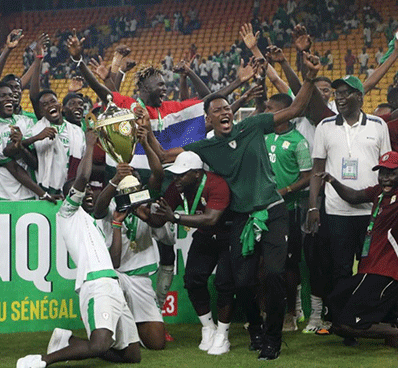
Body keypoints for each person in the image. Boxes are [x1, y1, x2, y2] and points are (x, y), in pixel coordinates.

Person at [159, 52, 321, 360]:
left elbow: (298, 106)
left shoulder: (254, 125)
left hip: (273, 211)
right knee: (242, 281)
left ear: (233, 114)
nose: (224, 112)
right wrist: (143, 135)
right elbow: (168, 155)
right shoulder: (206, 146)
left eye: (226, 108)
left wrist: (310, 76)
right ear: (209, 119)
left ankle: (272, 339)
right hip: (242, 219)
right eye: (217, 109)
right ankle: (255, 330)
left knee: (273, 275)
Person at [16, 129, 141, 368]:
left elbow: (114, 260)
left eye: (91, 192)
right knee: (99, 345)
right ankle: (41, 361)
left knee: (132, 355)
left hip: (112, 284)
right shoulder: (68, 214)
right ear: (70, 197)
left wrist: (116, 224)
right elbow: (82, 179)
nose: (90, 194)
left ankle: (68, 340)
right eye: (84, 193)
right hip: (95, 286)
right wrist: (90, 144)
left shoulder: (95, 223)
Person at [93, 113, 166, 351]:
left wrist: (145, 143)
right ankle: (119, 325)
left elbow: (159, 175)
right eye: (127, 184)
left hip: (141, 278)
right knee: (111, 343)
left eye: (134, 182)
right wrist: (115, 180)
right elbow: (97, 207)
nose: (131, 187)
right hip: (115, 277)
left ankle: (132, 326)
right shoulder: (111, 208)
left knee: (156, 344)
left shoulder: (144, 205)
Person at [151, 151, 234, 355]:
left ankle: (223, 334)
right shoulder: (177, 187)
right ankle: (208, 327)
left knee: (224, 282)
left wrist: (176, 217)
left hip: (228, 234)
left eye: (181, 174)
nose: (176, 178)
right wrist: (141, 211)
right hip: (205, 235)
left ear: (197, 174)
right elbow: (161, 217)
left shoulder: (216, 185)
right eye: (175, 174)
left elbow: (210, 219)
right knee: (193, 278)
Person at [318, 151, 398, 348]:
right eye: (382, 172)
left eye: (391, 173)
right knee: (334, 308)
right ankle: (390, 332)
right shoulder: (378, 192)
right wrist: (332, 181)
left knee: (347, 324)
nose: (385, 177)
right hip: (368, 266)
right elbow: (354, 196)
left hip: (386, 270)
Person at [263, 94, 313, 331]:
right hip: (262, 210)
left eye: (270, 108)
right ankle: (265, 311)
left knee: (289, 265)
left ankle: (291, 314)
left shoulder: (299, 142)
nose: (266, 111)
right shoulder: (264, 136)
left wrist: (287, 190)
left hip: (289, 210)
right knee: (262, 263)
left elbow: (308, 177)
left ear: (283, 112)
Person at [0, 82, 50, 201]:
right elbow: (6, 156)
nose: (9, 99)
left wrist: (22, 144)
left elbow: (34, 160)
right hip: (0, 192)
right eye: (3, 96)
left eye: (11, 95)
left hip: (28, 192)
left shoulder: (26, 122)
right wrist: (31, 139)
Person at [9, 89, 85, 196]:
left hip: (73, 187)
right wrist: (38, 137)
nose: (50, 105)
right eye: (45, 104)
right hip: (49, 191)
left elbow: (83, 160)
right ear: (41, 112)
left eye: (53, 101)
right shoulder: (35, 130)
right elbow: (33, 163)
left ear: (60, 105)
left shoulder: (77, 132)